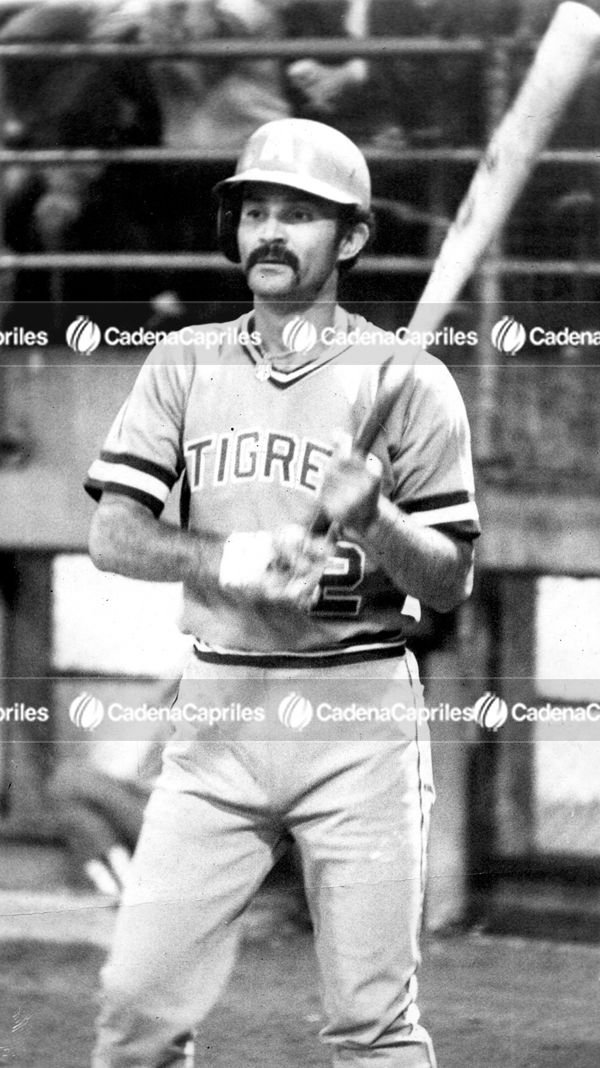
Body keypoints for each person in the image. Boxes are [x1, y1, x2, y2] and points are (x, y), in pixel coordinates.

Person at [85, 117, 480, 1068]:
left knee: (373, 1027)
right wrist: (233, 559)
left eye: (299, 215)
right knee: (137, 1008)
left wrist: (378, 519)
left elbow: (453, 578)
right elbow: (114, 535)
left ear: (348, 238)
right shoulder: (184, 362)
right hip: (217, 712)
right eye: (255, 210)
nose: (270, 230)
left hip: (359, 715)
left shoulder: (413, 382)